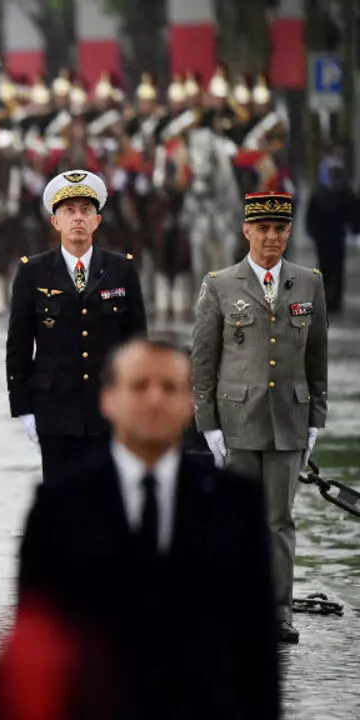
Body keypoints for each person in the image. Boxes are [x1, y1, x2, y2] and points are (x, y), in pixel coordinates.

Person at [0, 336, 279, 719]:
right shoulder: (59, 507)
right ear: (108, 399)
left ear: (191, 403)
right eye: (139, 386)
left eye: (170, 387)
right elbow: (37, 646)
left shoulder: (237, 505)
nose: (154, 400)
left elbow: (257, 649)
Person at [192, 191, 328, 643]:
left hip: (289, 419)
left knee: (279, 521)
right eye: (263, 229)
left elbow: (317, 357)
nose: (271, 238)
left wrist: (316, 419)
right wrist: (206, 422)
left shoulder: (309, 282)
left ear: (289, 232)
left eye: (279, 229)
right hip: (237, 421)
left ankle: (278, 611)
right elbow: (204, 360)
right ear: (246, 231)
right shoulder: (221, 284)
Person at [5, 170, 146, 482]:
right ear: (55, 222)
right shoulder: (33, 272)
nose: (78, 218)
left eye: (86, 210)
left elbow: (137, 344)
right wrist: (24, 408)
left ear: (97, 220)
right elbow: (18, 344)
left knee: (108, 502)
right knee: (61, 503)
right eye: (69, 211)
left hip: (109, 408)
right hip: (54, 407)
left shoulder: (120, 269)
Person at [305, 162, 355, 314]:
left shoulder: (344, 194)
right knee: (325, 269)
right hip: (324, 238)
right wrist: (313, 233)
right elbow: (311, 216)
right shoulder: (320, 194)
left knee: (337, 270)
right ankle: (326, 300)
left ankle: (336, 301)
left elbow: (352, 212)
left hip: (337, 237)